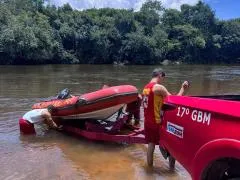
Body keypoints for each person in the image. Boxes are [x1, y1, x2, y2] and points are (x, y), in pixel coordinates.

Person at [142, 68, 189, 167]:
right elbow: (174, 100)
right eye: (163, 78)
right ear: (159, 75)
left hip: (147, 121)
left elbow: (153, 103)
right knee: (172, 143)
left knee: (151, 146)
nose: (162, 80)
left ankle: (149, 171)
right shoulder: (158, 87)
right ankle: (172, 171)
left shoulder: (145, 88)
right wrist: (183, 88)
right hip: (156, 122)